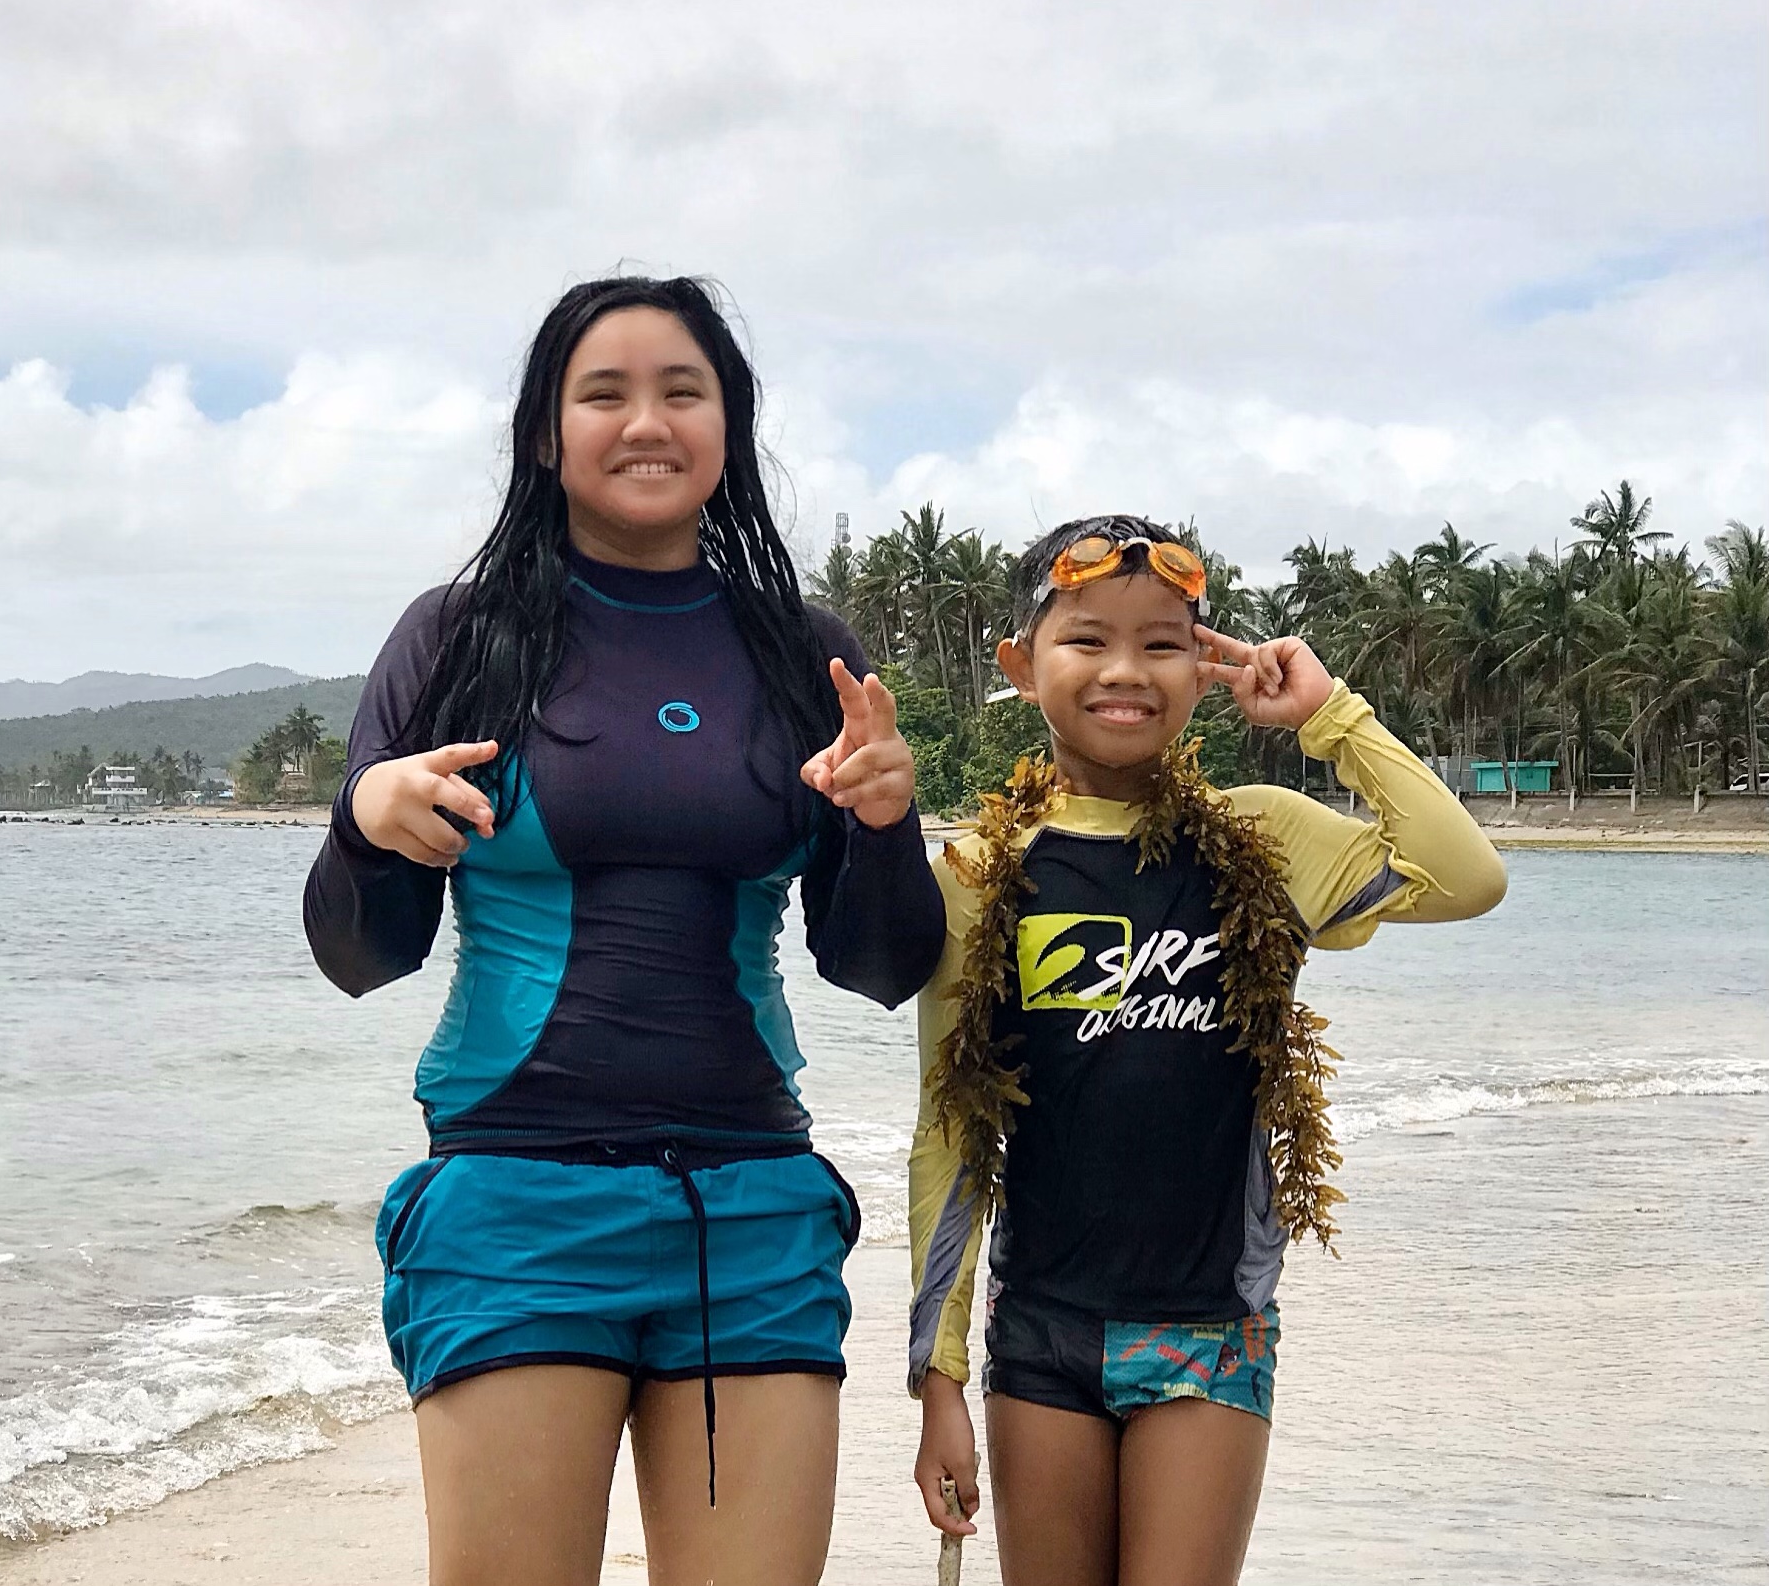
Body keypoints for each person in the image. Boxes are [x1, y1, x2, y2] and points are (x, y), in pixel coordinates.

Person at [303, 275, 945, 1586]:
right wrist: (366, 819)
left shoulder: (801, 651)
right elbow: (362, 955)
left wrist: (887, 824)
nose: (646, 421)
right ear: (546, 434)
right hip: (514, 1208)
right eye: (605, 393)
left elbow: (880, 967)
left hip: (753, 1211)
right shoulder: (460, 638)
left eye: (681, 391)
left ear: (728, 424)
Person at [908, 514, 1506, 1586]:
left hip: (1209, 1333)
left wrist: (1328, 715)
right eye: (1088, 639)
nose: (1125, 671)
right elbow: (952, 1133)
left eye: (1162, 642)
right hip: (1040, 1332)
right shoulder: (980, 871)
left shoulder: (1259, 838)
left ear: (1202, 664)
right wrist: (938, 1374)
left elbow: (1465, 877)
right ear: (1021, 665)